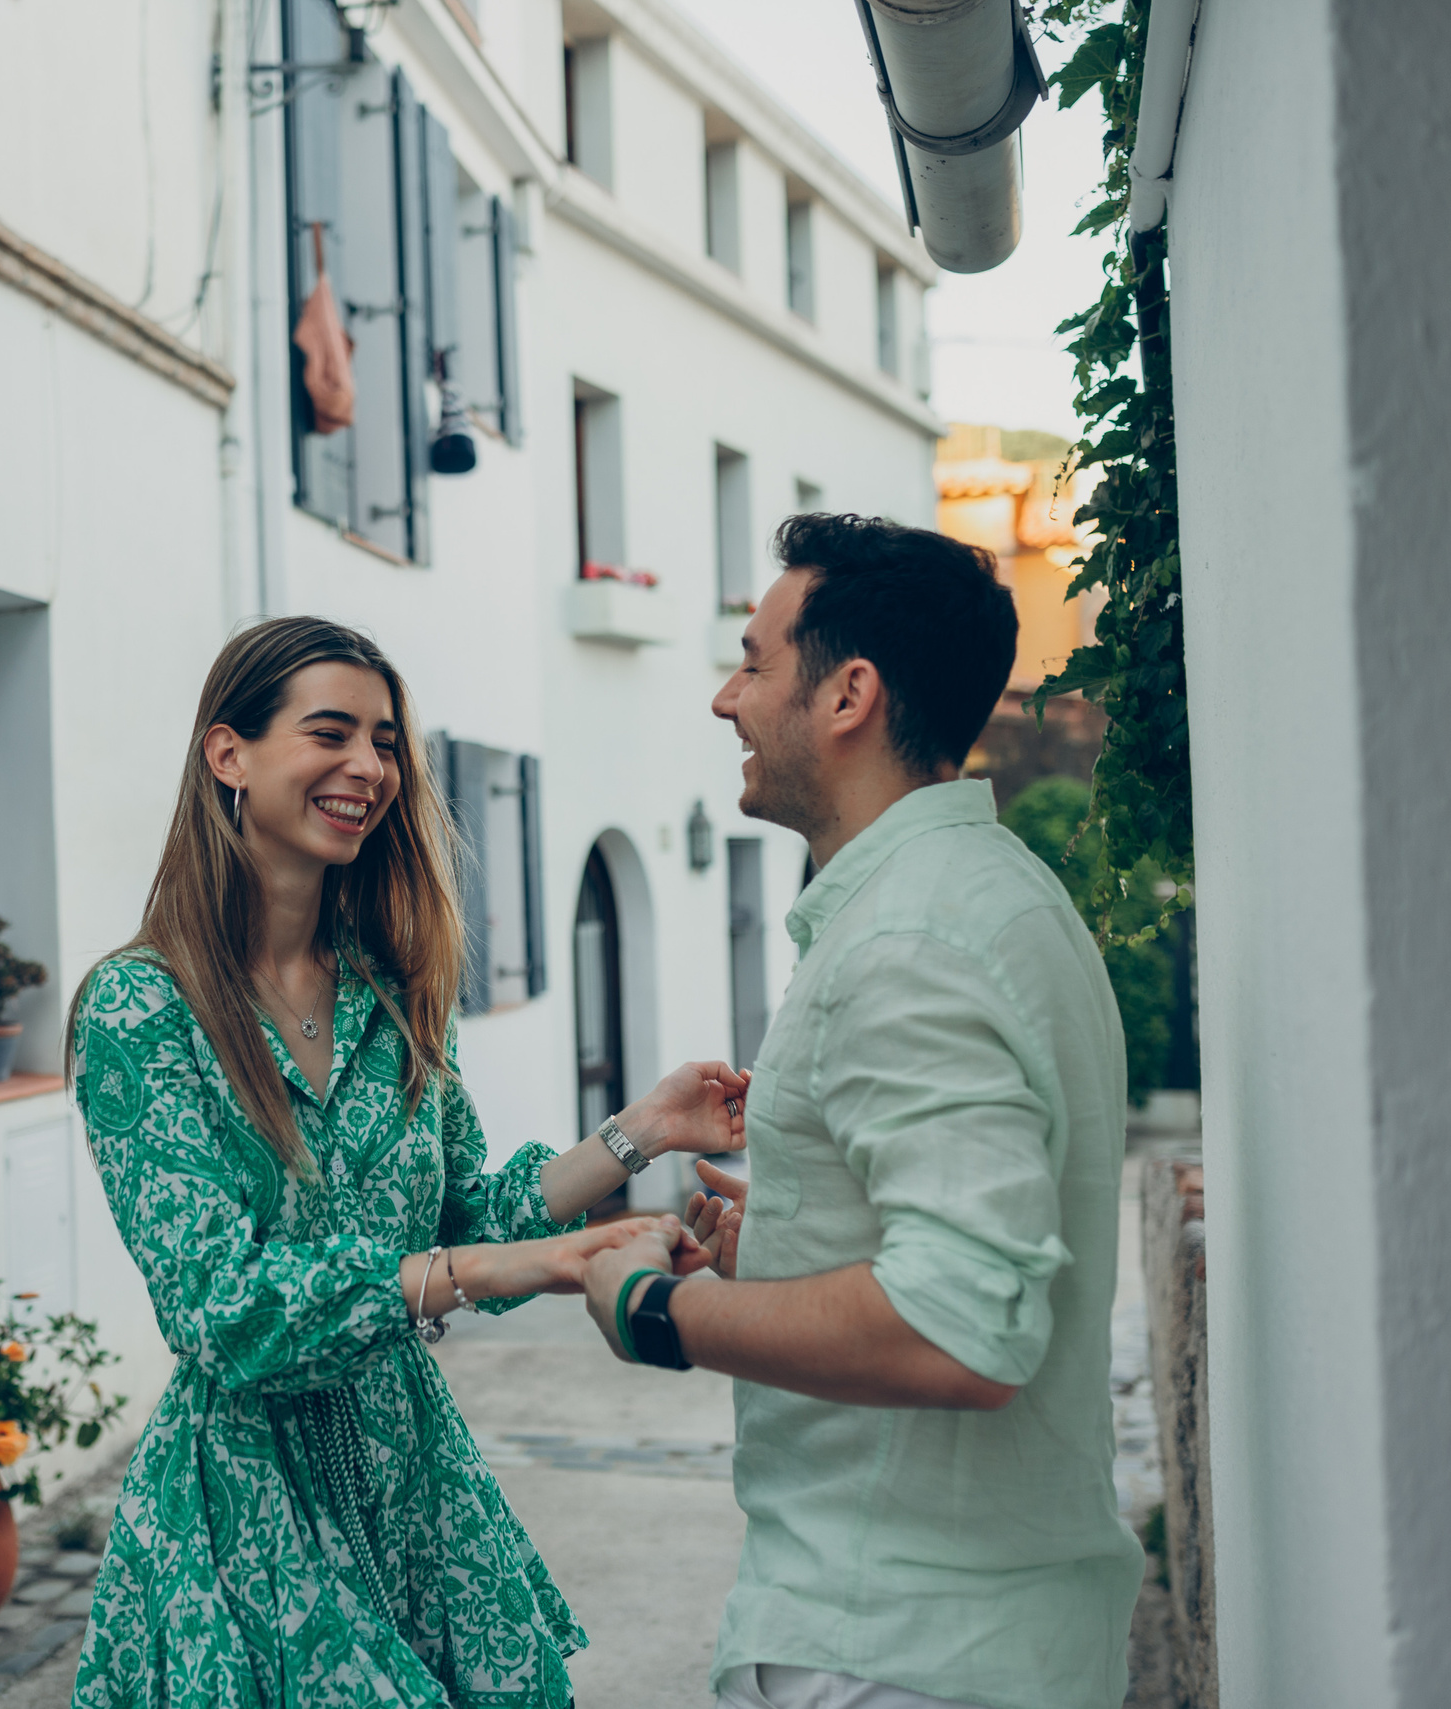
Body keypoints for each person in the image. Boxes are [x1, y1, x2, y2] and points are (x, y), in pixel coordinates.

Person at [65, 616, 747, 1709]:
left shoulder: (386, 988)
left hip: (414, 1479)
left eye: (384, 742)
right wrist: (489, 1273)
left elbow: (470, 1207)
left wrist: (644, 1131)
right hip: (248, 1504)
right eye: (329, 732)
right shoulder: (140, 1008)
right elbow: (218, 1311)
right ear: (227, 754)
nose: (368, 767)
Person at [583, 515, 1143, 1709]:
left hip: (895, 1646)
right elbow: (968, 1242)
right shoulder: (987, 898)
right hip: (955, 1628)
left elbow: (956, 1325)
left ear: (848, 693)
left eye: (752, 660)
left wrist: (660, 1309)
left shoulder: (908, 940)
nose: (725, 698)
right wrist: (785, 1248)